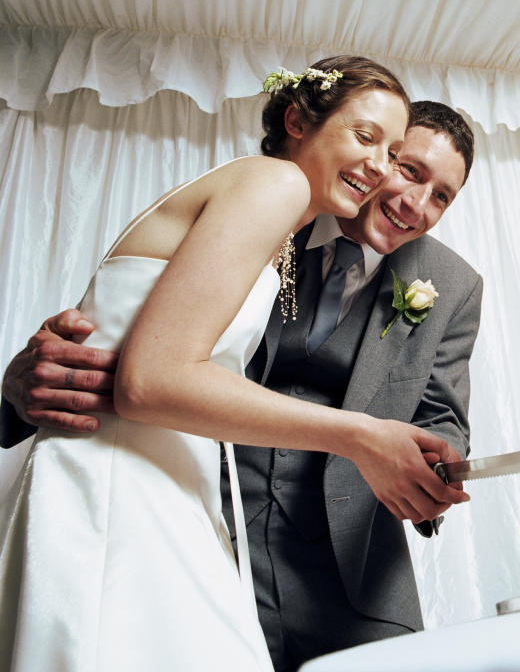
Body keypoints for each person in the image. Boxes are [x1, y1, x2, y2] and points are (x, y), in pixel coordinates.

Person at [0, 56, 469, 672]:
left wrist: (427, 466)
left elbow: (444, 420)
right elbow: (152, 373)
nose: (395, 183)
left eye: (442, 195)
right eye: (379, 149)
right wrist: (17, 385)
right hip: (159, 501)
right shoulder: (277, 192)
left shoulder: (450, 283)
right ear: (299, 120)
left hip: (340, 577)